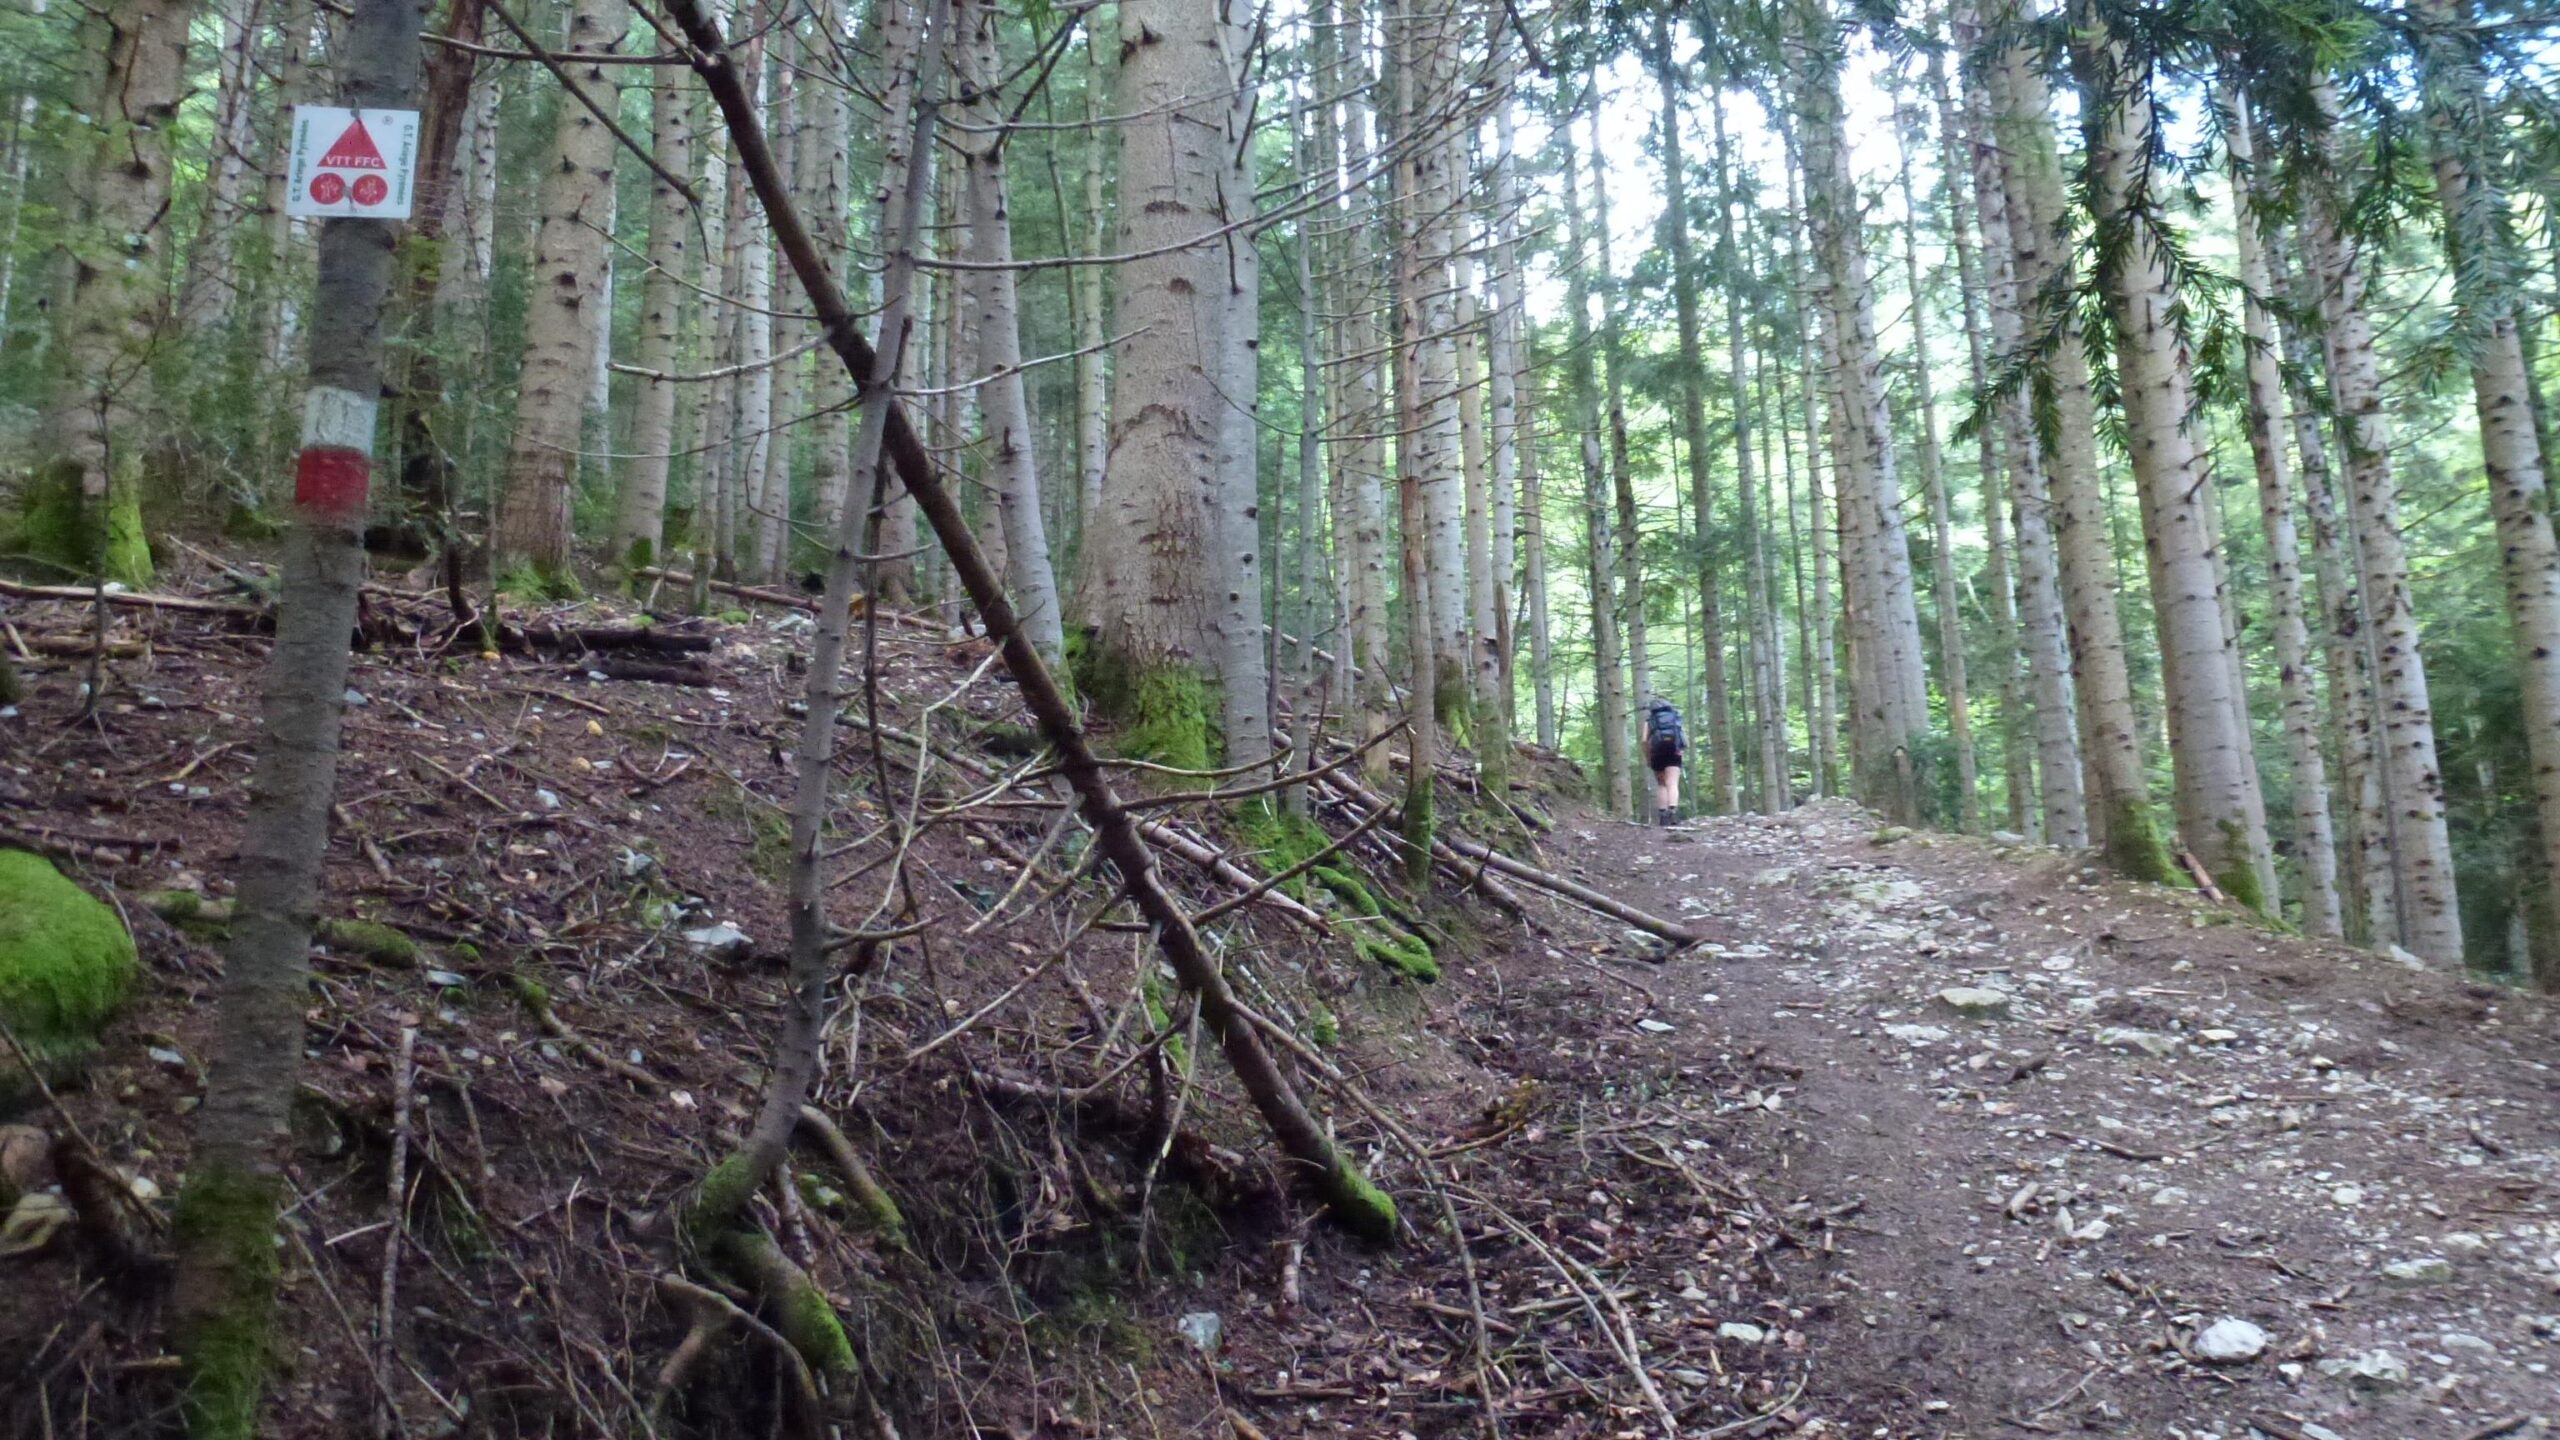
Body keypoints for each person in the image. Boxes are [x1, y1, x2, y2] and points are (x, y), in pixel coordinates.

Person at [1641, 695, 1686, 827]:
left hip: (1657, 753)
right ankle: (1673, 812)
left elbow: (1644, 740)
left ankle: (1663, 816)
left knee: (1661, 784)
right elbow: (1684, 738)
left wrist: (1648, 757)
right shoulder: (1675, 717)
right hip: (1674, 752)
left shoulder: (1650, 720)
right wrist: (1681, 750)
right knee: (1672, 783)